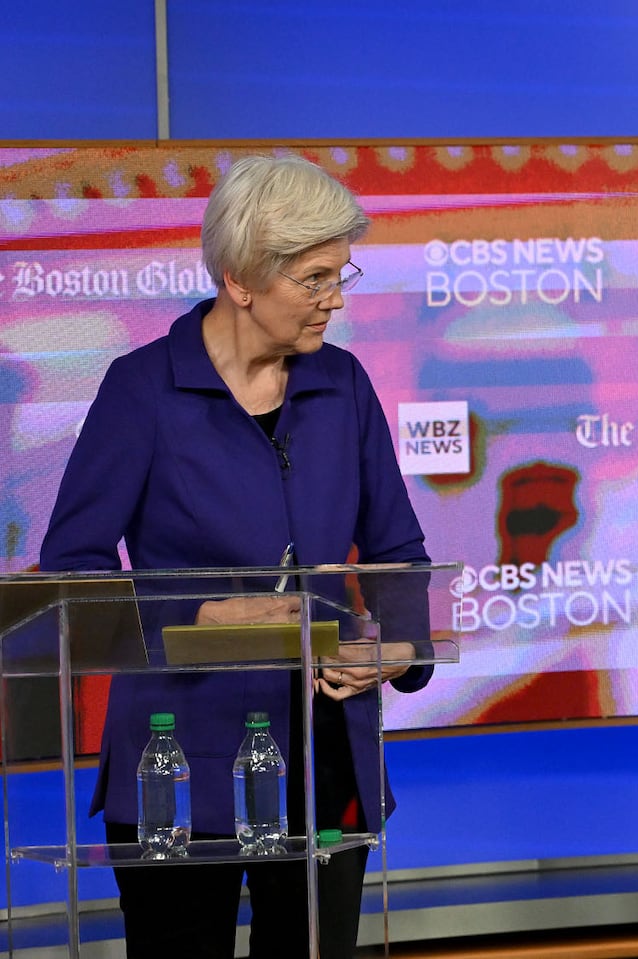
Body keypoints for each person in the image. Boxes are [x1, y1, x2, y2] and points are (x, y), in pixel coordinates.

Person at [40, 155, 431, 958]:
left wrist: (396, 648)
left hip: (326, 753)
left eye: (340, 272)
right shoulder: (142, 388)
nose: (337, 298)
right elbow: (74, 568)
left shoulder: (345, 385)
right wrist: (199, 617)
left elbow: (397, 549)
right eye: (315, 278)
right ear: (242, 279)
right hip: (178, 763)